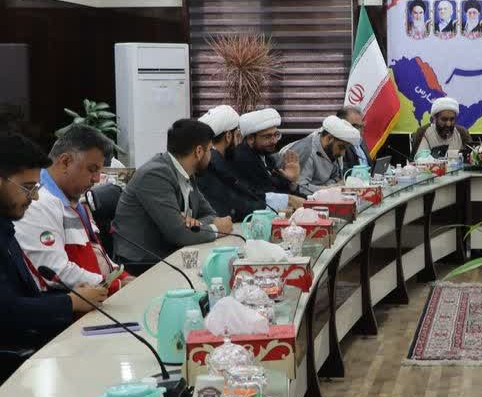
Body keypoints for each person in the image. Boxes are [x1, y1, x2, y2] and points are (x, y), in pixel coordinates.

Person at [0, 135, 107, 397]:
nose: (35, 197)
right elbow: (3, 312)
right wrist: (70, 302)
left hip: (9, 347)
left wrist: (73, 298)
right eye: (28, 188)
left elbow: (18, 296)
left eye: (36, 187)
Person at [16, 125, 132, 294]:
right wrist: (116, 285)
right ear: (65, 162)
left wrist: (123, 277)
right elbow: (55, 270)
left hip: (99, 296)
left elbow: (98, 255)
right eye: (92, 169)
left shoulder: (74, 201)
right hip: (76, 304)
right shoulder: (36, 203)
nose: (97, 179)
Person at [112, 119, 232, 272]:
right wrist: (216, 229)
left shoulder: (187, 172)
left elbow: (210, 214)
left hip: (169, 254)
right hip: (143, 263)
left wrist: (195, 225)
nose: (211, 156)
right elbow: (179, 234)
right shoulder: (155, 174)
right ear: (199, 151)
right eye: (209, 150)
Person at [195, 105, 300, 222]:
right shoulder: (213, 163)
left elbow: (248, 194)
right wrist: (285, 202)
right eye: (237, 135)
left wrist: (290, 188)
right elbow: (235, 203)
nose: (239, 142)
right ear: (229, 136)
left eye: (276, 135)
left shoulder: (221, 160)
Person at [282, 115, 361, 196]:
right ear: (328, 138)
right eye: (341, 147)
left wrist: (329, 186)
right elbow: (299, 188)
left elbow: (336, 179)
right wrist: (328, 189)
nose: (343, 153)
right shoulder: (306, 151)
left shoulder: (331, 149)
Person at [231, 108, 302, 197]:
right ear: (250, 139)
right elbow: (268, 196)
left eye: (276, 135)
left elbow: (281, 192)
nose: (274, 141)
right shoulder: (244, 159)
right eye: (267, 136)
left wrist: (292, 182)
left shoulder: (267, 158)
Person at [337, 106, 371, 170]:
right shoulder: (339, 144)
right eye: (354, 126)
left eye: (360, 126)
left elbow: (369, 164)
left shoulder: (361, 140)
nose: (358, 130)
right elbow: (342, 172)